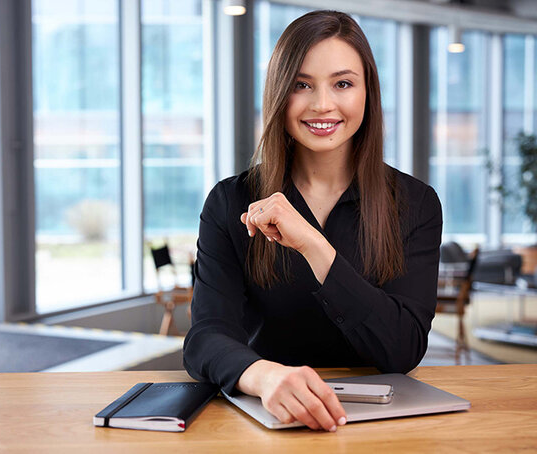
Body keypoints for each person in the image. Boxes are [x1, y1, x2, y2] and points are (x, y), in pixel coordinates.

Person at [182, 10, 443, 433]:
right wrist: (264, 376)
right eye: (302, 85)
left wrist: (314, 246)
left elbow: (403, 349)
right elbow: (205, 339)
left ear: (367, 94)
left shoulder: (416, 203)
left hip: (387, 424)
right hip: (265, 417)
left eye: (342, 83)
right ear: (279, 93)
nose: (323, 104)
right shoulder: (231, 201)